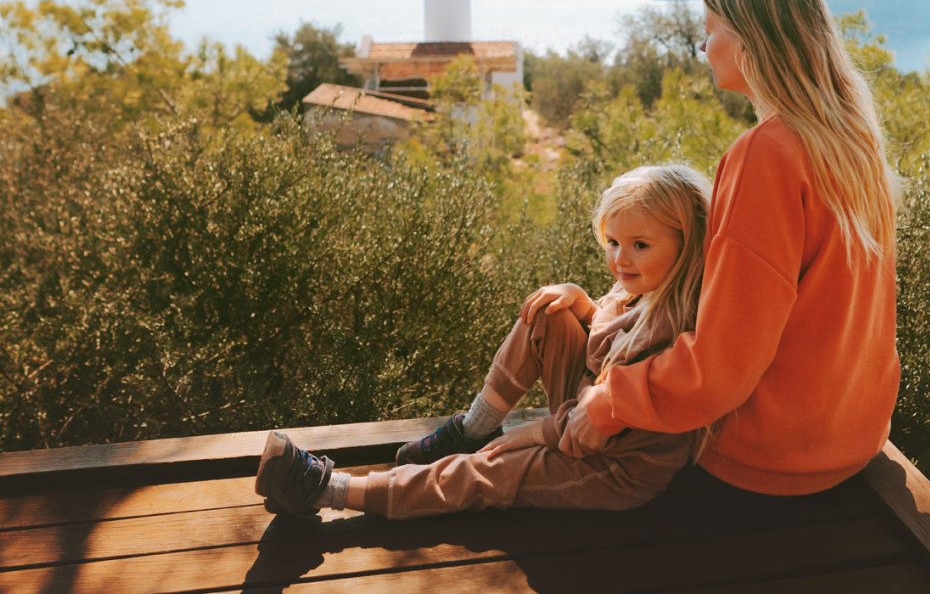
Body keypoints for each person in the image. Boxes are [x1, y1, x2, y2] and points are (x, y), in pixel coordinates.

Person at [559, 0, 900, 501]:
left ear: (749, 40)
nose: (703, 46)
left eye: (710, 29)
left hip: (766, 458)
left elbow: (722, 366)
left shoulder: (767, 154)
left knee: (555, 408)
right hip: (849, 440)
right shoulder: (852, 141)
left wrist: (609, 402)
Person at [255, 164, 712, 519]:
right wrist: (584, 305)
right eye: (612, 242)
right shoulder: (645, 291)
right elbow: (606, 352)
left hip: (610, 466)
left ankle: (326, 490)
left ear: (687, 246)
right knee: (547, 313)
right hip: (583, 420)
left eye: (639, 245)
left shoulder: (668, 331)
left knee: (492, 471)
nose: (620, 259)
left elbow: (590, 427)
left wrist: (528, 436)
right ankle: (476, 426)